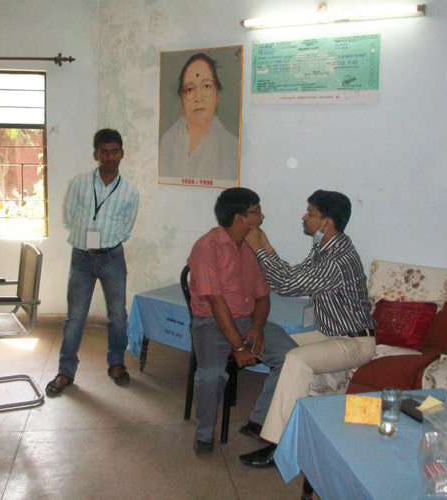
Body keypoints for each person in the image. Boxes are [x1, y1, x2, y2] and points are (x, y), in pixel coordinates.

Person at [239, 190, 376, 468]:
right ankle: (262, 419)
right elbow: (292, 274)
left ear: (327, 222)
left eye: (310, 213)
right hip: (330, 334)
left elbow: (286, 286)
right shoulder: (325, 248)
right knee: (282, 346)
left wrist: (259, 250)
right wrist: (267, 246)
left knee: (295, 359)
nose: (304, 217)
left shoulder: (336, 260)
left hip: (354, 343)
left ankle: (279, 446)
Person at [187, 187, 297, 454]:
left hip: (247, 320)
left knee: (293, 358)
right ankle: (204, 434)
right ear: (239, 218)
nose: (262, 216)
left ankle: (259, 421)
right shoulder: (207, 247)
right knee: (212, 374)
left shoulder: (251, 246)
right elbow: (216, 303)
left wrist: (257, 328)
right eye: (256, 211)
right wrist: (238, 346)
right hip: (210, 323)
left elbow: (263, 297)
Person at [46, 129, 139, 396]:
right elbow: (68, 217)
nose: (109, 157)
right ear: (96, 154)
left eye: (114, 151)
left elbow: (126, 228)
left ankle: (116, 363)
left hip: (112, 258)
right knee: (75, 317)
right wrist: (87, 240)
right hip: (82, 258)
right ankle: (66, 371)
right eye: (104, 152)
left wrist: (106, 241)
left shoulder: (129, 192)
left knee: (118, 315)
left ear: (122, 153)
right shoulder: (79, 183)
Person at [159, 52, 238, 184]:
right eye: (190, 89)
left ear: (217, 95)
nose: (198, 98)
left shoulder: (232, 148)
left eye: (206, 86)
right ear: (182, 99)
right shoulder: (165, 143)